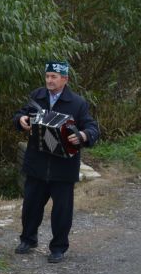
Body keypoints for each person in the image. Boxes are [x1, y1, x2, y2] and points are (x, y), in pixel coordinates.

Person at [13, 61, 99, 263]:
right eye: (47, 76)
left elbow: (92, 128)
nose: (49, 80)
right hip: (37, 162)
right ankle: (28, 239)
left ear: (65, 79)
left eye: (54, 77)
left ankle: (58, 247)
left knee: (62, 211)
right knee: (31, 206)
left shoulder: (78, 103)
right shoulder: (37, 96)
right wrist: (21, 120)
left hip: (64, 167)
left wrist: (83, 136)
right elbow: (19, 114)